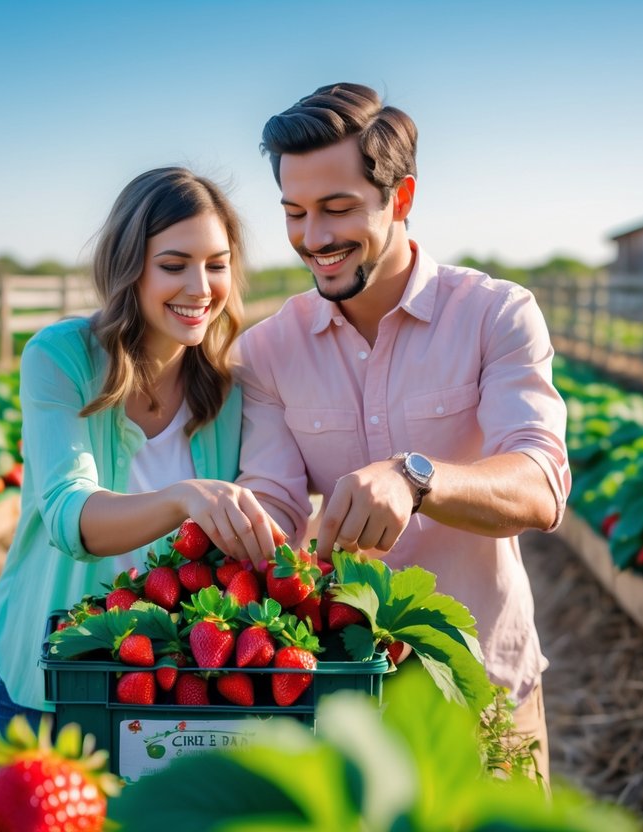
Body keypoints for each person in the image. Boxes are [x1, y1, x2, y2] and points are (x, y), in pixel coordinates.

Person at [228, 83, 570, 779]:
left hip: (480, 688)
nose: (313, 238)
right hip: (340, 696)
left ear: (401, 199)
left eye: (337, 208)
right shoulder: (266, 351)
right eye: (293, 213)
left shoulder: (495, 315)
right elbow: (274, 499)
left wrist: (416, 476)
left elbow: (539, 485)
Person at [0, 167, 279, 737]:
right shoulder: (62, 358)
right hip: (50, 678)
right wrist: (182, 498)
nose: (200, 287)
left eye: (216, 264)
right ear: (129, 267)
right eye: (173, 265)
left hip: (167, 678)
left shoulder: (229, 384)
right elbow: (71, 516)